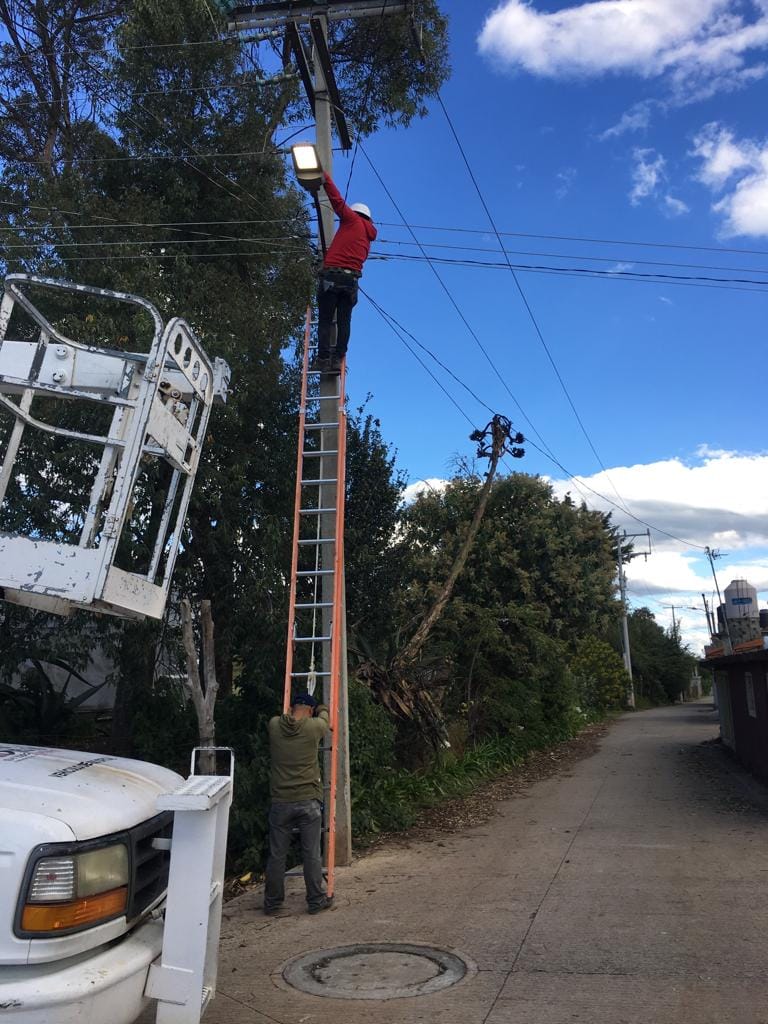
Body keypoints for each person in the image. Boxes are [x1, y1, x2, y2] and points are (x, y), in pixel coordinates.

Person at [264, 692, 333, 915]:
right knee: (311, 853)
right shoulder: (313, 727)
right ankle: (315, 900)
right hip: (308, 800)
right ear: (310, 711)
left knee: (277, 854)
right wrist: (322, 707)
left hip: (281, 801)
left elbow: (284, 718)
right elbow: (325, 718)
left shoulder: (274, 725)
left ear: (291, 707)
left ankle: (273, 903)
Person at [314, 171, 377, 373]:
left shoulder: (351, 220)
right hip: (351, 282)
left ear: (356, 213)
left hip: (332, 277)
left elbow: (337, 201)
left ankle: (323, 358)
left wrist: (324, 177)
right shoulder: (368, 237)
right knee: (343, 321)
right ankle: (338, 358)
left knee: (325, 320)